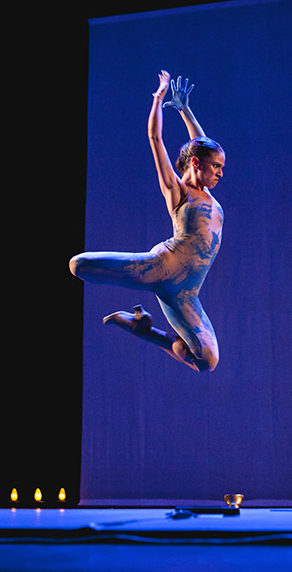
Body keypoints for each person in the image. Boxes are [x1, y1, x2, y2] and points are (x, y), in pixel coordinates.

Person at [69, 70, 225, 372]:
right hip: (160, 268)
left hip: (185, 292)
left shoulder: (205, 187)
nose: (220, 172)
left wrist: (185, 110)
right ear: (196, 164)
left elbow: (200, 144)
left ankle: (143, 330)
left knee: (207, 360)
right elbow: (155, 138)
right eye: (216, 166)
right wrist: (158, 97)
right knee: (78, 265)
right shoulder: (178, 191)